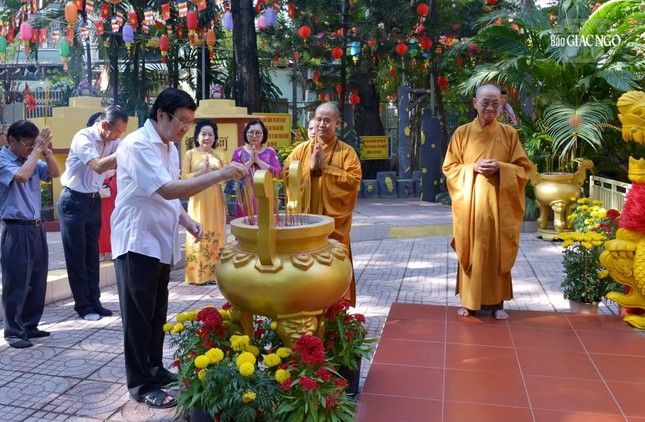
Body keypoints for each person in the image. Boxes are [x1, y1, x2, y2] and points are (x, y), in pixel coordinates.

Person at [110, 88, 247, 409]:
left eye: (190, 122)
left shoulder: (169, 147)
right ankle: (141, 384)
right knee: (138, 317)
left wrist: (186, 221)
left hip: (159, 241)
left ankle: (155, 369)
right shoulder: (138, 144)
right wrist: (221, 173)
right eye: (182, 120)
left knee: (156, 313)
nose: (187, 128)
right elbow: (169, 189)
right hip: (136, 241)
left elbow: (166, 197)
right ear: (161, 114)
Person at [442, 84, 531, 320]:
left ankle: (497, 304)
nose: (490, 108)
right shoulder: (462, 133)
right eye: (485, 103)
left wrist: (502, 167)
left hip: (499, 207)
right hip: (470, 205)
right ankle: (469, 303)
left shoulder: (509, 134)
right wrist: (472, 168)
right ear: (475, 103)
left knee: (497, 251)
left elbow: (524, 169)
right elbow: (450, 168)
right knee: (472, 251)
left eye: (495, 103)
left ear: (501, 105)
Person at [283, 103, 362, 305]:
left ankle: (336, 308)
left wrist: (326, 168)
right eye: (318, 119)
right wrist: (308, 168)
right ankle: (303, 301)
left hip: (333, 223)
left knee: (334, 262)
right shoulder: (300, 150)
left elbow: (353, 181)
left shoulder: (347, 152)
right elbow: (286, 174)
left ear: (337, 123)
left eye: (327, 120)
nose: (322, 124)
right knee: (304, 262)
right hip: (306, 221)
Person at [58, 106, 129, 321]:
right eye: (117, 131)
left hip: (93, 200)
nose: (119, 136)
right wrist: (125, 151)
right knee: (77, 256)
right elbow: (98, 166)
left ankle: (94, 301)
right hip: (73, 201)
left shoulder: (113, 141)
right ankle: (83, 306)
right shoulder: (84, 138)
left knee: (92, 254)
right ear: (105, 125)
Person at [0, 120, 61, 348]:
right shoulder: (3, 159)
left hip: (36, 227)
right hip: (16, 228)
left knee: (37, 280)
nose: (30, 149)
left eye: (33, 144)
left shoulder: (32, 157)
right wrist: (35, 152)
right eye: (27, 144)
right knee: (16, 282)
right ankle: (14, 332)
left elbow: (54, 173)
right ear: (12, 140)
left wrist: (46, 152)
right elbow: (21, 176)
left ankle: (30, 325)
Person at [181, 119, 227, 285]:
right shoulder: (190, 154)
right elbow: (184, 178)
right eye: (203, 134)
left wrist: (214, 175)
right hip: (197, 199)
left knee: (216, 233)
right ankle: (197, 275)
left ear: (215, 137)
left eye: (210, 134)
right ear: (197, 136)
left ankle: (216, 274)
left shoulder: (220, 154)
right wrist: (201, 172)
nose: (207, 138)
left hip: (215, 200)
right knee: (197, 231)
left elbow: (226, 178)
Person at [231, 119, 282, 217]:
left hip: (265, 194)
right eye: (251, 132)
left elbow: (278, 173)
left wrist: (258, 161)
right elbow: (233, 174)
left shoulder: (270, 151)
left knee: (265, 222)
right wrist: (250, 161)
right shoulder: (238, 152)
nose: (254, 136)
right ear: (246, 133)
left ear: (263, 135)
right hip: (244, 197)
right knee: (245, 223)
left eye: (258, 133)